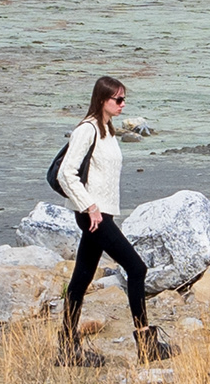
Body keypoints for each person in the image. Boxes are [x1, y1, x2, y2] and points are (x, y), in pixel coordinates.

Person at [52, 73, 166, 362]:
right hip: (94, 215)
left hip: (101, 214)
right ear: (102, 100)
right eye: (118, 99)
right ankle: (146, 344)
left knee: (81, 278)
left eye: (124, 98)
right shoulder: (87, 130)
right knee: (137, 268)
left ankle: (67, 348)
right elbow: (66, 173)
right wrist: (88, 206)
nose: (123, 104)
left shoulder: (107, 129)